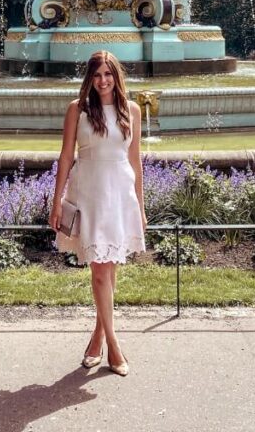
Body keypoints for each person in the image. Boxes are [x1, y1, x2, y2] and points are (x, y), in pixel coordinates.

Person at [50, 51, 146, 377]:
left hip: (119, 194)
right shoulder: (77, 110)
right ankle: (114, 347)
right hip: (89, 191)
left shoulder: (131, 110)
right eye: (97, 75)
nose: (103, 81)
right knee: (101, 272)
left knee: (109, 269)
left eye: (108, 74)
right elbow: (65, 158)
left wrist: (140, 208)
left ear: (116, 77)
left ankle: (97, 337)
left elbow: (136, 162)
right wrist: (56, 200)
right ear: (89, 78)